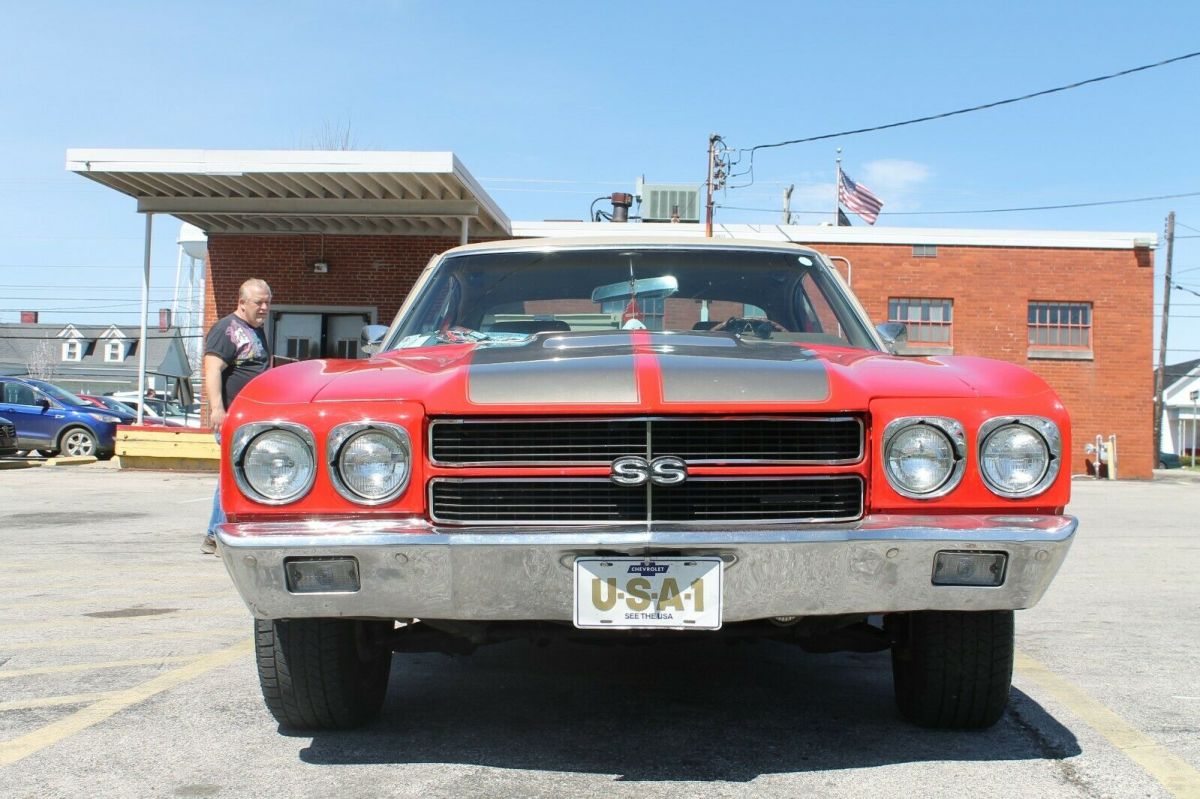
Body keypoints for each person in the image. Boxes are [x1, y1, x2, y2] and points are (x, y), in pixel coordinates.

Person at [201, 278, 272, 554]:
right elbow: (212, 369)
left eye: (267, 302)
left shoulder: (255, 330)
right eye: (258, 302)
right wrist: (217, 409)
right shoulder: (226, 329)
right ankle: (214, 535)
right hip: (232, 419)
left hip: (252, 421)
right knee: (232, 475)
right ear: (242, 303)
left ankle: (220, 533)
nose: (264, 307)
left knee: (239, 474)